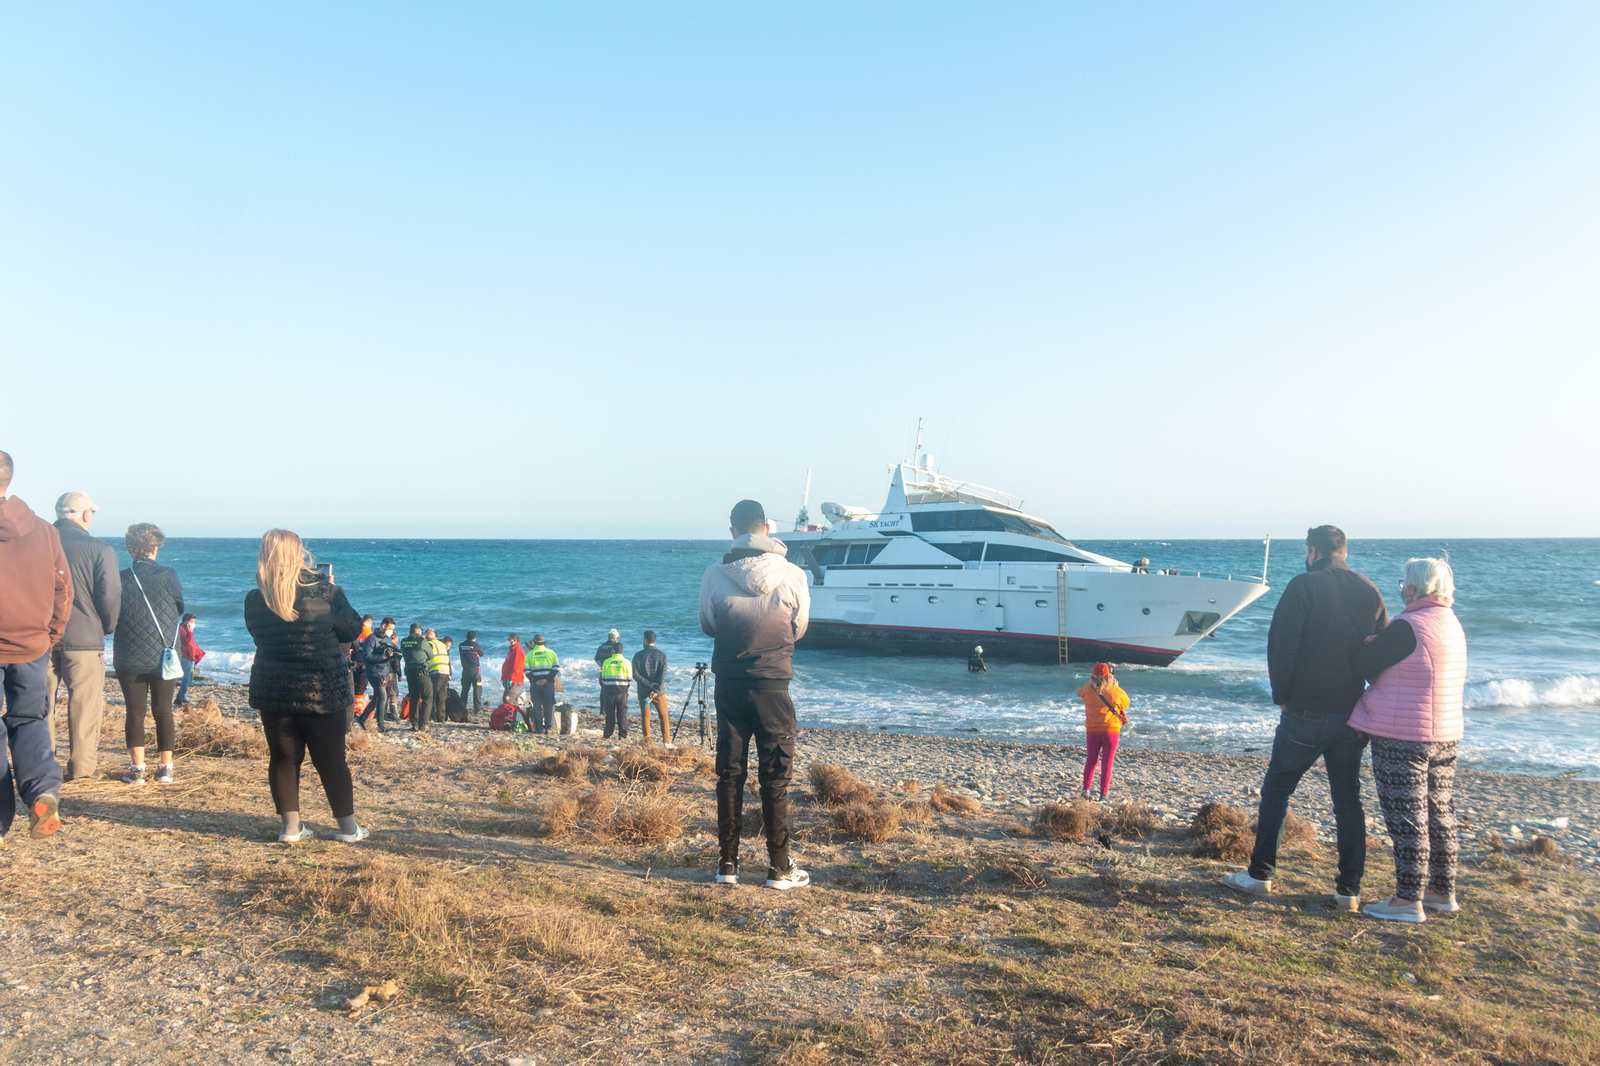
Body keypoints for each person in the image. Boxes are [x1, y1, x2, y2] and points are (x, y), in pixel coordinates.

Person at [1224, 525, 1388, 909]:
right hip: (1351, 712)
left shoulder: (1303, 585)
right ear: (1343, 552)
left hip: (1306, 710)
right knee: (1347, 802)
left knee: (1277, 792)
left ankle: (1260, 875)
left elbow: (1283, 643)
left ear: (1312, 552)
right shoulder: (1369, 590)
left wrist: (1282, 695)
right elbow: (1381, 652)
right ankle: (1349, 890)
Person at [700, 499, 812, 891]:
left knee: (729, 774)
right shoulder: (794, 574)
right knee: (775, 777)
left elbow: (708, 624)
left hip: (729, 684)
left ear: (733, 532)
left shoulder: (714, 574)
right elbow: (798, 628)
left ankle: (727, 864)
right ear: (767, 527)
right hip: (773, 687)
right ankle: (779, 867)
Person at [1349, 558, 1468, 923]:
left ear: (1413, 589)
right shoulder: (1450, 623)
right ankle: (1441, 890)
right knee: (1439, 812)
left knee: (1407, 816)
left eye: (1403, 582)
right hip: (1445, 733)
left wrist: (1372, 644)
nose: (1401, 588)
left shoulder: (1407, 626)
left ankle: (1407, 899)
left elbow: (1363, 667)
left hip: (1404, 735)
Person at [244, 529, 367, 843]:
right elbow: (353, 628)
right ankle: (348, 828)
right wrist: (333, 587)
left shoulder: (256, 598)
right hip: (320, 687)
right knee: (331, 759)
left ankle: (290, 828)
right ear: (299, 554)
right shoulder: (325, 592)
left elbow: (261, 638)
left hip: (273, 688)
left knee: (283, 757)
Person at [0, 451, 68, 839]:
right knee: (28, 721)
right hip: (31, 644)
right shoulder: (44, 530)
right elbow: (63, 588)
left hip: (30, 641)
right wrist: (50, 635)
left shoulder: (45, 530)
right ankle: (41, 791)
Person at [47, 490, 118, 781]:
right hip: (85, 637)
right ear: (86, 515)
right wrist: (107, 625)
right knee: (85, 704)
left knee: (40, 704)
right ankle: (83, 767)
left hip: (40, 634)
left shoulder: (37, 543)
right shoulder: (100, 549)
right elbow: (110, 596)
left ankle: (43, 764)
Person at [114, 522, 184, 785]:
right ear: (156, 548)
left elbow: (112, 613)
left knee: (135, 712)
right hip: (163, 654)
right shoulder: (169, 574)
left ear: (131, 548)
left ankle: (137, 769)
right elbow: (179, 605)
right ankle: (165, 768)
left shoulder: (121, 577)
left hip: (129, 652)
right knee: (163, 710)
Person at [1078, 663, 1130, 801]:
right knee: (1107, 762)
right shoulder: (1115, 691)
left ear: (1093, 676)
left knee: (1091, 761)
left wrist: (1091, 683)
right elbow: (1126, 703)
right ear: (1109, 676)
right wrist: (1115, 687)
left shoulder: (1087, 690)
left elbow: (1080, 693)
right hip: (1111, 729)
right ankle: (1104, 794)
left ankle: (1086, 790)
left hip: (1092, 729)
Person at [358, 617, 401, 732]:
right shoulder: (371, 639)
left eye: (392, 630)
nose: (390, 631)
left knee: (377, 698)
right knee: (383, 697)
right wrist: (383, 656)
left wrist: (395, 652)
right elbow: (367, 657)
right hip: (374, 672)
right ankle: (381, 725)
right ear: (383, 626)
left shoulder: (387, 639)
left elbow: (393, 652)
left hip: (385, 672)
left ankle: (362, 718)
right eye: (389, 629)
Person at [632, 631, 670, 743]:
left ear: (645, 640)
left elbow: (635, 674)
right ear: (654, 640)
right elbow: (662, 676)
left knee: (646, 718)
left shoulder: (638, 656)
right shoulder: (662, 655)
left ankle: (648, 742)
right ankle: (666, 742)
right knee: (663, 717)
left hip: (643, 692)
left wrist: (648, 685)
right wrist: (655, 690)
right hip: (659, 693)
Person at [524, 634, 560, 734]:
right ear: (544, 642)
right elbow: (556, 668)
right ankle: (549, 728)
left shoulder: (530, 654)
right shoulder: (551, 653)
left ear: (534, 643)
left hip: (535, 685)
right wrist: (546, 679)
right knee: (549, 706)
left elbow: (527, 671)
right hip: (548, 684)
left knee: (537, 706)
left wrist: (536, 680)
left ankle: (539, 729)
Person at [399, 623, 432, 729]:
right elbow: (431, 655)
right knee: (428, 696)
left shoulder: (404, 641)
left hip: (409, 672)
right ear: (419, 631)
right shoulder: (422, 641)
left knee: (414, 697)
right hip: (421, 672)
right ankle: (424, 723)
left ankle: (414, 723)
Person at [599, 641, 632, 739]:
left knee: (609, 714)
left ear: (613, 650)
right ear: (621, 651)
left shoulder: (607, 662)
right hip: (622, 691)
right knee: (622, 714)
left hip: (609, 691)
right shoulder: (626, 662)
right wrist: (624, 688)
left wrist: (606, 687)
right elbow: (629, 678)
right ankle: (622, 734)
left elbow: (603, 677)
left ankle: (608, 733)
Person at [425, 629, 452, 727]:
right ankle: (441, 717)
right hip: (445, 671)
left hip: (436, 671)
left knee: (431, 694)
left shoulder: (429, 644)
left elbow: (425, 657)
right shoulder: (441, 644)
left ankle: (430, 716)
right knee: (441, 695)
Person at [176, 614, 205, 707]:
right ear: (186, 622)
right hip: (185, 657)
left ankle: (178, 697)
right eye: (192, 622)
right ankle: (182, 698)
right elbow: (187, 642)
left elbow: (191, 643)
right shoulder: (182, 630)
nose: (193, 624)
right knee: (186, 678)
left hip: (191, 657)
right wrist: (190, 632)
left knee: (190, 678)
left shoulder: (186, 630)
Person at [458, 630, 484, 719]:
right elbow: (482, 654)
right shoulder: (475, 645)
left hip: (465, 670)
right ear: (474, 638)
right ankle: (477, 709)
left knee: (464, 690)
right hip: (475, 671)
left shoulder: (461, 645)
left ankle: (462, 707)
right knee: (477, 689)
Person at [501, 632, 526, 705]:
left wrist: (511, 679)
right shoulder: (512, 650)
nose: (507, 641)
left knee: (509, 700)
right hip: (510, 679)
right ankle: (513, 715)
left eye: (509, 639)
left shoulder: (518, 651)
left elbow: (517, 667)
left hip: (515, 680)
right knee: (508, 699)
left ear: (514, 640)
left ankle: (513, 715)